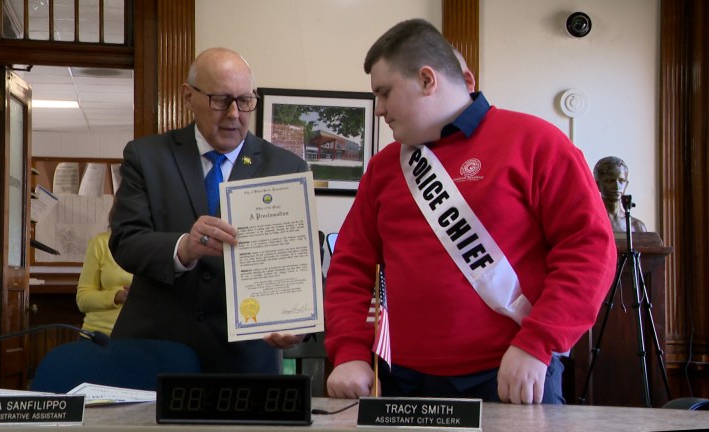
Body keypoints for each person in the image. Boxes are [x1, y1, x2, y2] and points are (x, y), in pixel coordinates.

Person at [324, 19, 617, 404]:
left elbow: (590, 250)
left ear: (427, 80)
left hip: (512, 374)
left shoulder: (536, 142)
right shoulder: (383, 168)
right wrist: (349, 353)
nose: (378, 109)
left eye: (384, 93)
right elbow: (350, 268)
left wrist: (537, 342)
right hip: (402, 383)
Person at [109, 47, 309, 374]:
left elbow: (299, 263)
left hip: (245, 358)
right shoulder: (147, 156)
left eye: (245, 101)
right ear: (188, 97)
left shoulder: (286, 167)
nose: (234, 114)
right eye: (221, 100)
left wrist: (297, 317)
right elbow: (125, 241)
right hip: (157, 350)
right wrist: (183, 247)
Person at [76, 206, 133, 336]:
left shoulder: (162, 248)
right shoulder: (100, 242)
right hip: (98, 336)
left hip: (142, 339)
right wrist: (117, 296)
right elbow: (82, 300)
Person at [593, 156, 648, 233]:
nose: (617, 186)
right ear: (597, 185)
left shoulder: (637, 226)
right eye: (610, 181)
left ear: (626, 184)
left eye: (621, 181)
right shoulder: (591, 222)